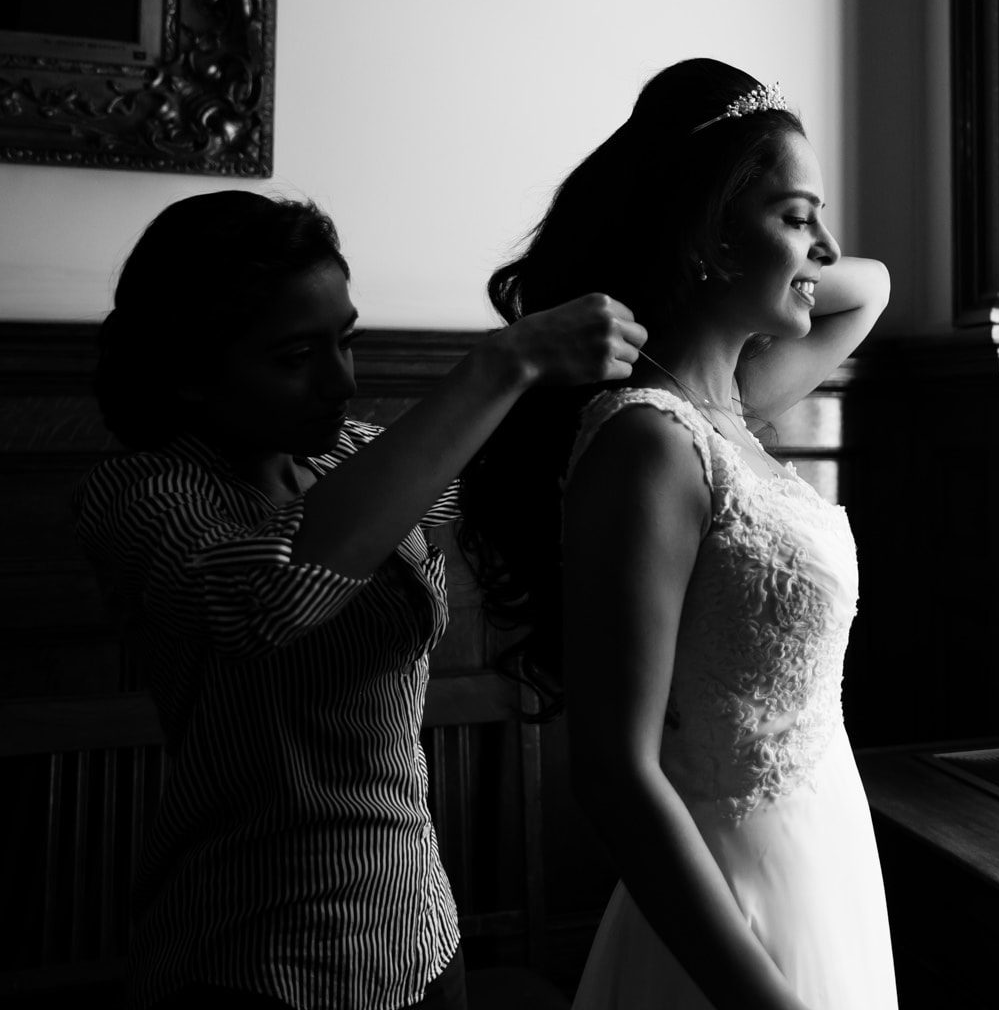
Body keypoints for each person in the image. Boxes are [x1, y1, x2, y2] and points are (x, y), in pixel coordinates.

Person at [72, 190, 647, 1010]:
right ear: (190, 373)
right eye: (296, 355)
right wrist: (498, 364)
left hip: (417, 929)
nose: (343, 381)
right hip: (252, 957)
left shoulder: (357, 454)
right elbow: (271, 597)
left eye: (347, 341)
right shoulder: (145, 495)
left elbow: (511, 483)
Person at [460, 58, 895, 1010]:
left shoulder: (731, 413)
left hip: (826, 859)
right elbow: (612, 772)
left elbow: (873, 286)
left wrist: (783, 233)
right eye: (797, 215)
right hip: (733, 903)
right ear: (708, 234)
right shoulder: (650, 442)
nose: (827, 248)